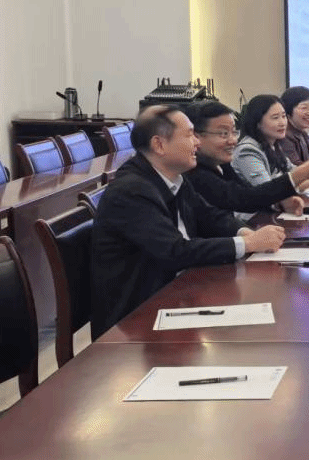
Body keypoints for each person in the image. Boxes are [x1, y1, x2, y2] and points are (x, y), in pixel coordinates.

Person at [90, 105, 286, 339]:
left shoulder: (173, 176)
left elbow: (210, 216)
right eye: (190, 135)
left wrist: (245, 233)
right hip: (135, 322)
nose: (197, 142)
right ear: (159, 145)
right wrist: (248, 244)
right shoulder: (131, 191)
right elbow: (175, 251)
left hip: (176, 294)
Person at [187, 100, 309, 217]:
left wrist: (281, 203)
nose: (233, 141)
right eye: (223, 134)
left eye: (234, 132)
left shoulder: (223, 163)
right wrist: (302, 174)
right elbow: (246, 197)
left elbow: (249, 195)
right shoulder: (246, 151)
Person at [233, 94, 309, 191]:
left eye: (283, 116)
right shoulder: (247, 150)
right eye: (275, 118)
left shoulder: (274, 145)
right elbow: (267, 189)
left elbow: (292, 171)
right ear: (257, 122)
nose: (282, 123)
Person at [279, 86, 309, 164]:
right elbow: (297, 167)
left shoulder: (302, 133)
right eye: (304, 108)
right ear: (288, 110)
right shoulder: (284, 136)